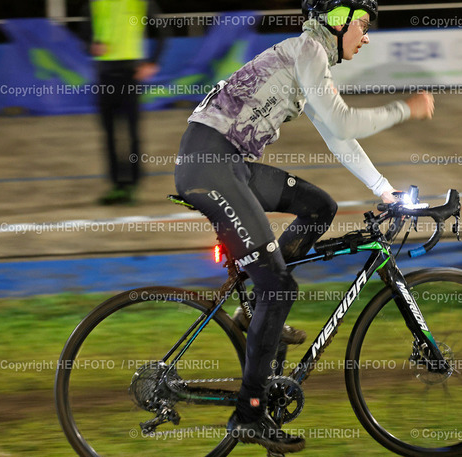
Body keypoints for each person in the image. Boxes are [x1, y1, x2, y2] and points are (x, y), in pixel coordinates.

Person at [174, 0, 434, 453]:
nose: (366, 37)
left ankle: (256, 309)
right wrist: (404, 109)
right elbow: (342, 119)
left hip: (225, 162)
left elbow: (337, 136)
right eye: (362, 26)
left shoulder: (308, 57)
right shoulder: (308, 51)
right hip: (213, 166)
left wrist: (384, 190)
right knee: (280, 288)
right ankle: (250, 413)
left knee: (318, 206)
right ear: (337, 21)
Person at [85, 0, 168, 205]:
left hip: (129, 75)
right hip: (104, 76)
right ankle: (116, 185)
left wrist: (153, 62)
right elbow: (84, 31)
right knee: (109, 133)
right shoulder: (97, 3)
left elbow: (163, 32)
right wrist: (91, 45)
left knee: (131, 132)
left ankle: (131, 184)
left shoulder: (140, 3)